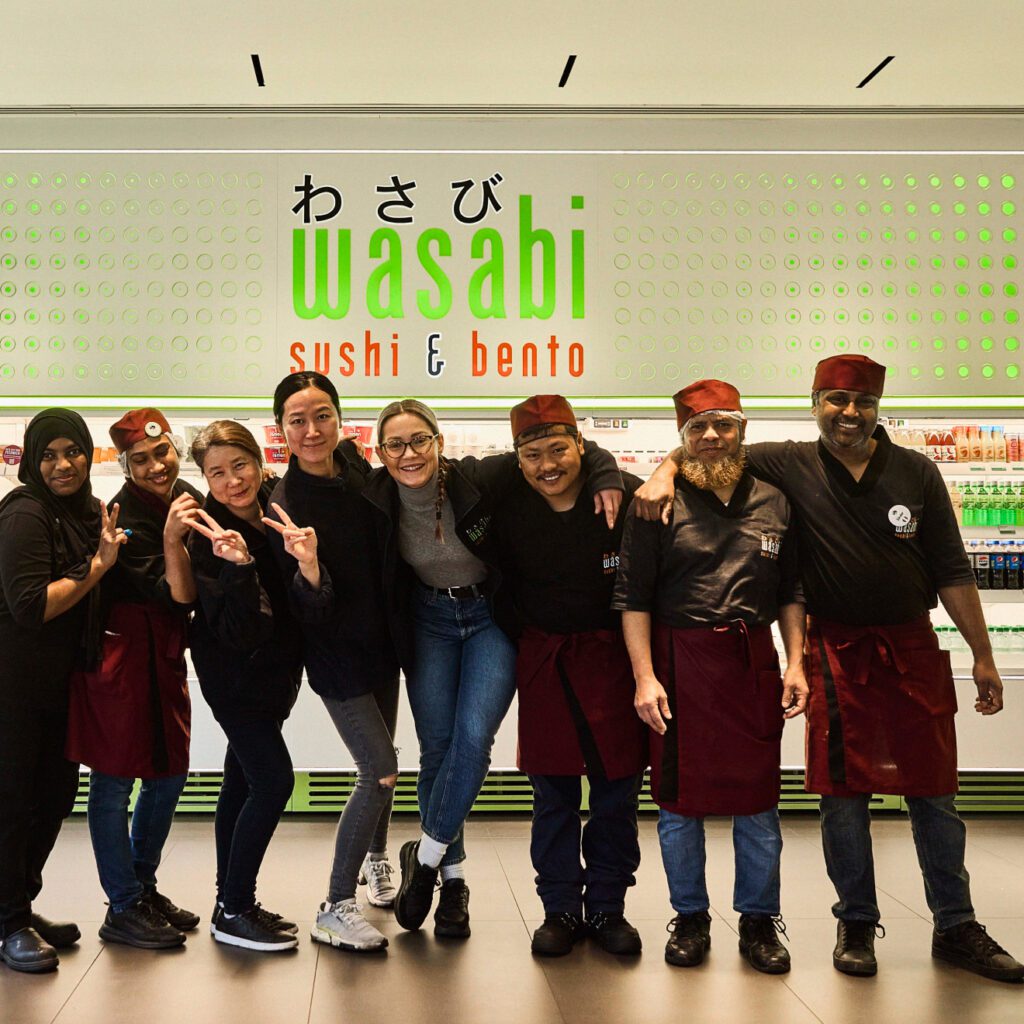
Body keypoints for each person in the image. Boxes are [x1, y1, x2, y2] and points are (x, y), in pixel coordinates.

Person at [636, 355, 1024, 983]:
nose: (849, 413)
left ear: (879, 408)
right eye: (836, 400)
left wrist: (982, 653)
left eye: (862, 402)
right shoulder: (788, 462)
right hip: (835, 651)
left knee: (935, 795)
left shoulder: (917, 472)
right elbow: (706, 444)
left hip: (913, 648)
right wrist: (660, 471)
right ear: (815, 401)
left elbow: (953, 569)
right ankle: (856, 924)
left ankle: (956, 924)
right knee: (843, 799)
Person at [362, 398, 623, 940]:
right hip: (429, 620)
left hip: (489, 617)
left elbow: (570, 451)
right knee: (437, 749)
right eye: (395, 444)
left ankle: (426, 858)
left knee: (473, 739)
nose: (409, 453)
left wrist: (607, 473)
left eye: (419, 440)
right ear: (380, 450)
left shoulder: (479, 475)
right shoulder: (374, 494)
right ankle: (453, 885)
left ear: (439, 442)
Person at [613, 380, 808, 974]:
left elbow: (791, 590)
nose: (711, 436)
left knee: (758, 803)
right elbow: (633, 597)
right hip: (680, 663)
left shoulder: (775, 499)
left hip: (753, 662)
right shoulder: (655, 503)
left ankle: (758, 920)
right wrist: (645, 678)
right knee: (678, 803)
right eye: (697, 428)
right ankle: (691, 918)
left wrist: (796, 660)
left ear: (743, 428)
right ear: (683, 438)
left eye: (722, 424)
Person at [488, 395, 647, 958]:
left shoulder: (623, 495)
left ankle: (608, 906)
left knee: (616, 794)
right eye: (533, 454)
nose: (547, 465)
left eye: (560, 449)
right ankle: (558, 907)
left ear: (582, 446)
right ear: (518, 459)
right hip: (545, 660)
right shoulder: (507, 504)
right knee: (552, 795)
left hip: (612, 662)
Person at [265, 371, 400, 954]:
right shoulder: (285, 502)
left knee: (386, 768)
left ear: (340, 419)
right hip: (335, 656)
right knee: (380, 769)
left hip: (385, 649)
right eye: (298, 419)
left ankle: (376, 858)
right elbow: (306, 607)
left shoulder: (369, 479)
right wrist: (312, 568)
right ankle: (335, 905)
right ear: (282, 431)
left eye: (322, 415)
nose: (312, 429)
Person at [65, 408, 201, 950]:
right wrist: (176, 544)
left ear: (175, 449)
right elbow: (176, 594)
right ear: (125, 464)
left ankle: (143, 887)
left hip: (164, 655)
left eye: (161, 452)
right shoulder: (121, 514)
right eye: (140, 460)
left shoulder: (186, 493)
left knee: (168, 773)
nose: (155, 466)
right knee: (115, 779)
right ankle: (122, 904)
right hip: (121, 660)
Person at [0, 410, 126, 973]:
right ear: (31, 460)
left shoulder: (83, 514)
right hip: (14, 686)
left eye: (72, 451)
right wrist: (98, 566)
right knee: (14, 805)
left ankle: (17, 907)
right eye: (48, 455)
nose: (62, 464)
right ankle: (9, 923)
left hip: (59, 686)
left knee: (51, 800)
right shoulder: (26, 513)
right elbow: (31, 607)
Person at [186, 421, 302, 952]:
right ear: (205, 479)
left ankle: (228, 901)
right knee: (274, 781)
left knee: (239, 782)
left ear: (258, 461)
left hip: (275, 679)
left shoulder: (278, 510)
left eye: (240, 466)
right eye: (217, 473)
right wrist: (241, 566)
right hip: (236, 681)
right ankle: (235, 908)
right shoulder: (210, 536)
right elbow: (240, 629)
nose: (233, 481)